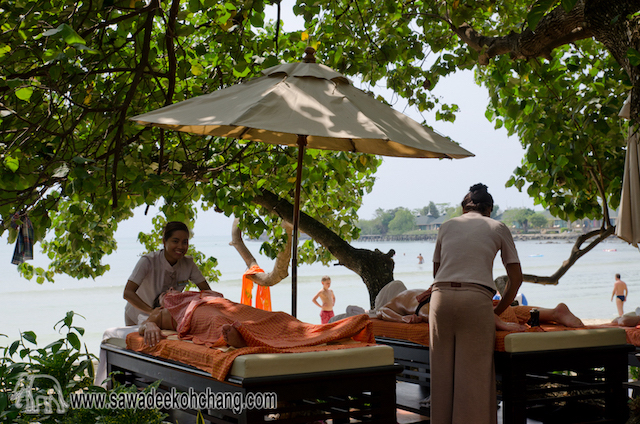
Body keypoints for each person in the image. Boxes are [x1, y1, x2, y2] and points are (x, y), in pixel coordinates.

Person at [430, 183, 523, 424]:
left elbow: (437, 271)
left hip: (440, 299)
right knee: (474, 380)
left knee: (442, 378)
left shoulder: (448, 225)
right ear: (489, 209)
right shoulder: (498, 227)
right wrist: (498, 311)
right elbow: (516, 279)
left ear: (464, 208)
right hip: (475, 299)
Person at [138, 289, 372, 349]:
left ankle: (329, 330)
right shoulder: (165, 309)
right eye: (165, 292)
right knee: (218, 322)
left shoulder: (197, 294)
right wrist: (149, 324)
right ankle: (239, 337)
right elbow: (145, 323)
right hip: (201, 314)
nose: (170, 291)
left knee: (274, 317)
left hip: (224, 305)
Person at [122, 221, 211, 326]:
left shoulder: (188, 264)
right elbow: (128, 293)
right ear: (164, 241)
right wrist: (151, 312)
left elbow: (207, 292)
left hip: (166, 318)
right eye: (175, 241)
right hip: (138, 315)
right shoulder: (148, 261)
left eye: (185, 242)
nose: (181, 246)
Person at [376, 288, 583, 330]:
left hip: (431, 305)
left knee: (453, 316)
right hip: (446, 295)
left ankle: (499, 323)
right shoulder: (411, 291)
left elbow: (382, 312)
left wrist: (401, 320)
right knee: (505, 308)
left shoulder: (398, 299)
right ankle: (554, 312)